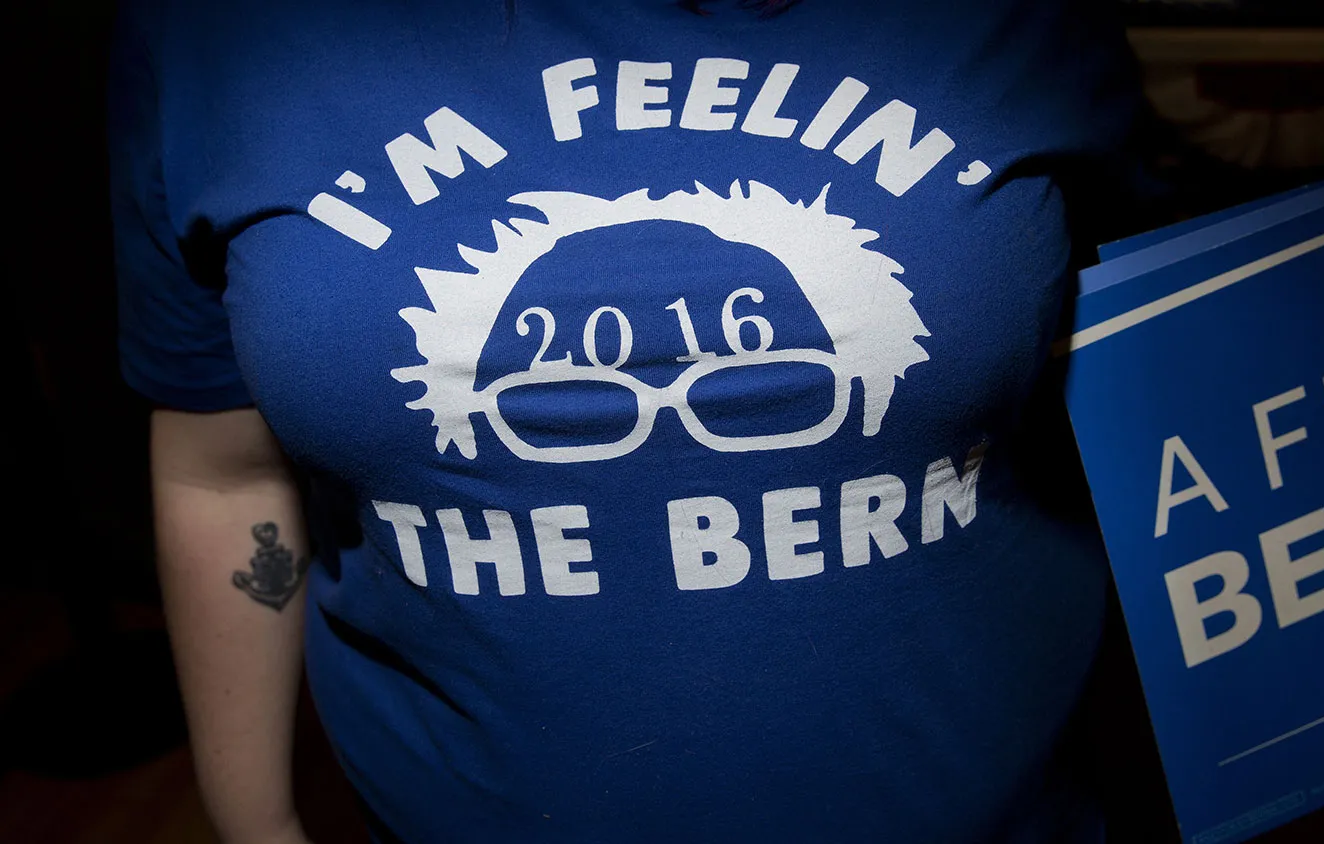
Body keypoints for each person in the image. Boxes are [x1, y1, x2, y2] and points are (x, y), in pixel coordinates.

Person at [110, 1, 1141, 841]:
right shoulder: (215, 32)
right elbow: (223, 472)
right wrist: (255, 823)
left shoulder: (1020, 19)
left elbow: (1165, 356)